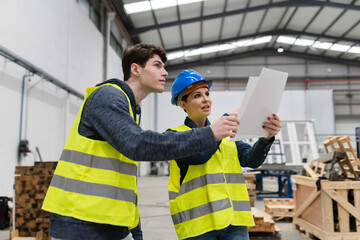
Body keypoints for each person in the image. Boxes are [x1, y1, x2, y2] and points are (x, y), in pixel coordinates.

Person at [41, 44, 241, 240]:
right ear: (135, 69)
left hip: (109, 222)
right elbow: (138, 144)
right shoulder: (108, 96)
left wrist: (135, 231)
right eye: (157, 65)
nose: (164, 72)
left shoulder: (129, 107)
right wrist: (209, 134)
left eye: (163, 66)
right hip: (80, 221)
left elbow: (124, 178)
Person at [167, 69, 282, 240]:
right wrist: (224, 123)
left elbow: (251, 159)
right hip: (198, 227)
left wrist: (266, 138)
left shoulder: (226, 136)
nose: (206, 99)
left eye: (207, 93)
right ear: (183, 104)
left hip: (234, 223)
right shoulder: (175, 135)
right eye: (197, 96)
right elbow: (200, 156)